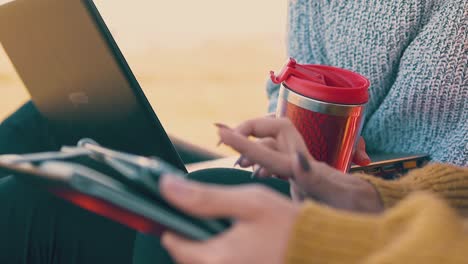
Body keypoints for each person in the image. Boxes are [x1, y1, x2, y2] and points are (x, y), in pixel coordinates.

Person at [0, 0, 466, 263]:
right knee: (36, 128)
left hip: (411, 207)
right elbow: (294, 79)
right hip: (334, 180)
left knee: (25, 206)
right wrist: (282, 128)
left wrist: (359, 191)